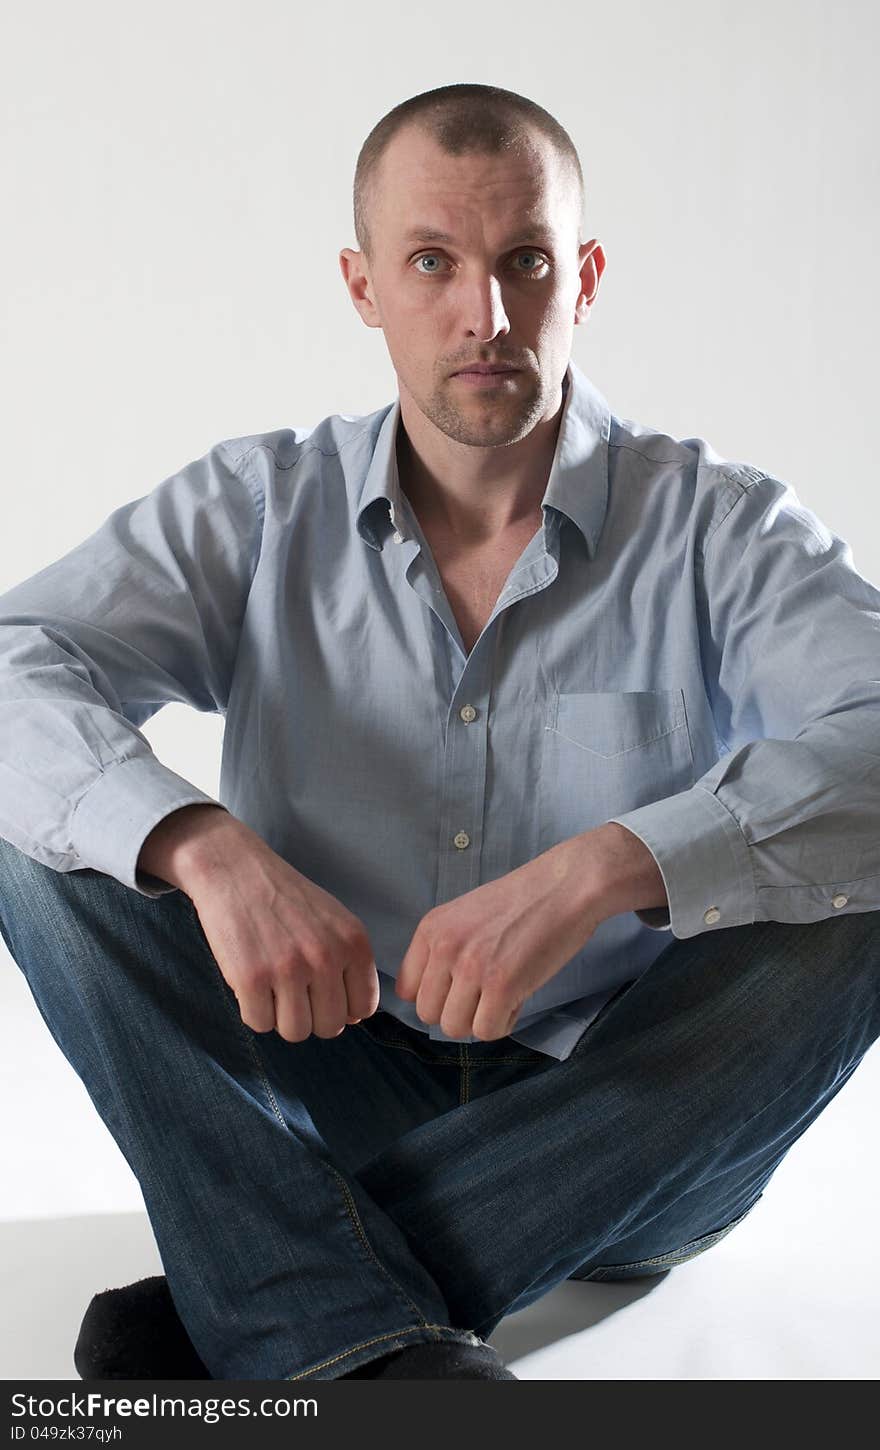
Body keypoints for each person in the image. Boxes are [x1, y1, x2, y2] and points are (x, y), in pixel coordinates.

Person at [1, 81, 879, 1383]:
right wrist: (198, 843)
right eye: (434, 263)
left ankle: (271, 1296)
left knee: (857, 897)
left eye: (527, 262)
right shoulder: (258, 508)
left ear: (582, 273)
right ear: (365, 287)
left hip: (630, 1116)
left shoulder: (720, 527)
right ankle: (362, 1333)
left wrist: (608, 867)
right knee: (49, 845)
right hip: (321, 1083)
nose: (490, 316)